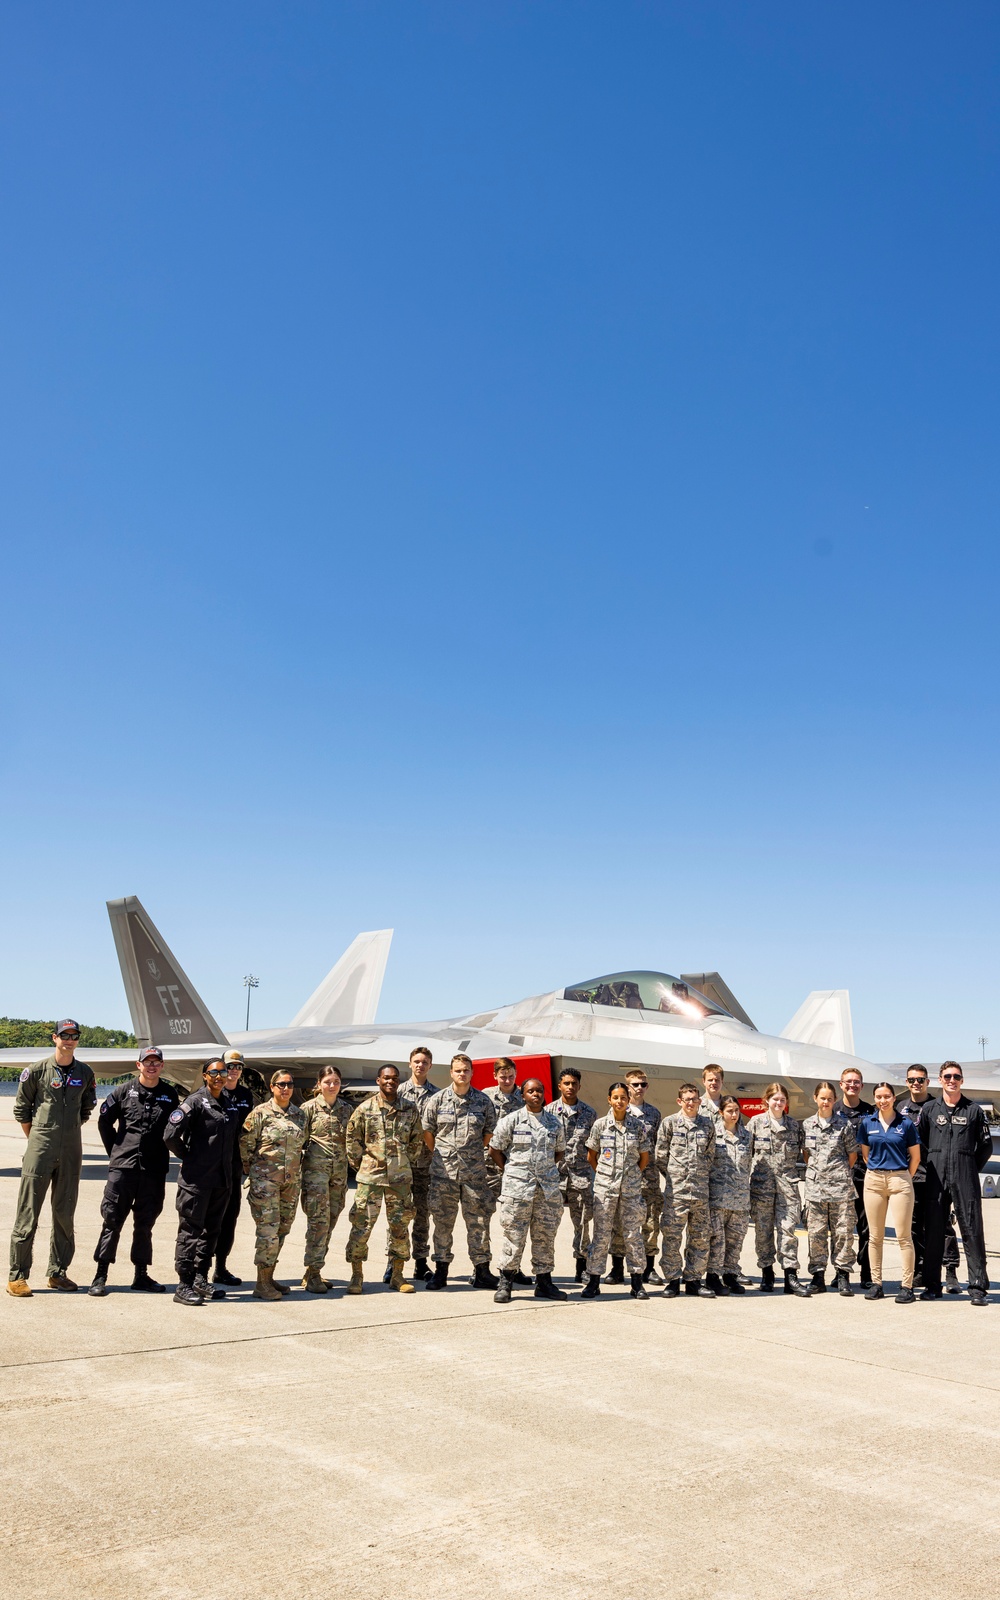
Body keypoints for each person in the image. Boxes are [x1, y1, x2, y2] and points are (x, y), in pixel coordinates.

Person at [7, 1019, 97, 1297]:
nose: (69, 1040)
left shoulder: (85, 1072)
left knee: (64, 1212)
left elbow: (85, 1109)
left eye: (74, 1036)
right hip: (40, 1148)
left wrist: (65, 1135)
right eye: (64, 1036)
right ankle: (17, 1276)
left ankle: (57, 1272)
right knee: (28, 1212)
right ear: (54, 1038)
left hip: (71, 1149)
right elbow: (22, 1110)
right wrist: (39, 1139)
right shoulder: (36, 1071)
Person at [89, 1046, 180, 1296]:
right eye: (147, 1062)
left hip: (153, 1169)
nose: (151, 1066)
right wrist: (116, 1151)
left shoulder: (169, 1094)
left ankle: (141, 1275)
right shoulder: (123, 1092)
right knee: (112, 1221)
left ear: (162, 1066)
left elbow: (175, 1129)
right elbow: (104, 1122)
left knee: (145, 1223)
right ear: (138, 1065)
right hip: (123, 1169)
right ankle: (100, 1275)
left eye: (156, 1062)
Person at [345, 1064, 424, 1295]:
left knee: (400, 1228)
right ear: (378, 1080)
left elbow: (416, 1140)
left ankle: (397, 1276)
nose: (390, 1081)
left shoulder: (409, 1109)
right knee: (361, 1226)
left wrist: (402, 1163)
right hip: (370, 1179)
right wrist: (362, 1165)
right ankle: (357, 1275)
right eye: (386, 1078)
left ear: (398, 1082)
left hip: (399, 1180)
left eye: (394, 1078)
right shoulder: (364, 1108)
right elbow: (352, 1139)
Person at [918, 1062, 992, 1307]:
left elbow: (985, 1146)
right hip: (936, 1176)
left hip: (964, 1174)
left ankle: (978, 1287)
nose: (952, 1080)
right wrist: (932, 1163)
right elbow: (919, 1143)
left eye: (956, 1076)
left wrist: (969, 1168)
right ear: (940, 1079)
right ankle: (931, 1285)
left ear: (962, 1080)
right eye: (947, 1076)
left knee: (971, 1229)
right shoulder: (929, 1109)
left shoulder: (973, 1111)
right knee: (934, 1231)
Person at [423, 1054, 498, 1291]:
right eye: (457, 1071)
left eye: (466, 1070)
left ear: (472, 1072)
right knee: (443, 1223)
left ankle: (482, 1270)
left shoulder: (483, 1102)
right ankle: (441, 1270)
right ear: (451, 1073)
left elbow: (489, 1134)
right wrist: (444, 1154)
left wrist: (470, 1153)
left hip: (474, 1174)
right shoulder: (437, 1100)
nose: (461, 1074)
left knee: (478, 1222)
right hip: (443, 1174)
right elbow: (428, 1134)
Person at [164, 1057, 235, 1306]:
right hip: (196, 1180)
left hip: (221, 1179)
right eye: (213, 1073)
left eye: (223, 1072)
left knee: (211, 1231)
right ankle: (183, 1284)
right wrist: (188, 1157)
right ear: (205, 1076)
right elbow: (170, 1135)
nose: (219, 1077)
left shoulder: (228, 1103)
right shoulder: (194, 1101)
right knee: (190, 1232)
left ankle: (200, 1278)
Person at [489, 1078, 567, 1303]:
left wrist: (543, 1170)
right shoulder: (511, 1120)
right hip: (518, 1191)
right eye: (530, 1091)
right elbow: (495, 1150)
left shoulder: (554, 1123)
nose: (536, 1094)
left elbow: (558, 1152)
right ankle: (506, 1283)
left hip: (546, 1191)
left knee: (544, 1237)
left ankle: (544, 1283)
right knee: (514, 1236)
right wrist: (513, 1171)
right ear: (522, 1095)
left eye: (539, 1091)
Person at [239, 1070, 307, 1301]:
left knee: (282, 1230)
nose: (285, 1088)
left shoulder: (299, 1115)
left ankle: (269, 1276)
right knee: (267, 1233)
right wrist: (255, 1172)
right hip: (265, 1184)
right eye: (281, 1085)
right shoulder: (260, 1114)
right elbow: (245, 1145)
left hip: (290, 1184)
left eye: (289, 1084)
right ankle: (261, 1283)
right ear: (272, 1087)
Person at [580, 1082, 650, 1299]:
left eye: (623, 1097)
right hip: (605, 1190)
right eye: (616, 1097)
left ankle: (637, 1282)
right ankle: (593, 1281)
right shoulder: (600, 1125)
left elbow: (644, 1157)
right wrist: (605, 1176)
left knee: (632, 1235)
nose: (620, 1101)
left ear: (628, 1101)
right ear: (609, 1099)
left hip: (630, 1190)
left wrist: (630, 1176)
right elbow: (592, 1156)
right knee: (601, 1235)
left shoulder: (637, 1127)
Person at [896, 1064, 961, 1293]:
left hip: (935, 1176)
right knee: (914, 1227)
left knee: (942, 1225)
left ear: (928, 1082)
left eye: (921, 1080)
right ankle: (920, 1270)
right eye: (912, 1080)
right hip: (910, 1177)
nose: (916, 1083)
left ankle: (951, 1271)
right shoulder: (900, 1108)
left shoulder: (937, 1107)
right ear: (907, 1082)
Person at [858, 1082, 920, 1303]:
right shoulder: (867, 1123)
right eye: (878, 1097)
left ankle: (907, 1286)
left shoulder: (906, 1124)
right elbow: (866, 1155)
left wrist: (903, 1177)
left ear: (894, 1098)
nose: (882, 1100)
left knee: (904, 1236)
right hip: (874, 1180)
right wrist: (879, 1173)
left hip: (900, 1179)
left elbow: (916, 1157)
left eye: (886, 1096)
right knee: (875, 1236)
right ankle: (877, 1283)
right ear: (874, 1099)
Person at [747, 1083, 811, 1296]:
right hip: (761, 1187)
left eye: (782, 1100)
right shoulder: (755, 1124)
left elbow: (805, 1153)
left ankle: (790, 1275)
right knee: (763, 1232)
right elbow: (746, 1155)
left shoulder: (794, 1126)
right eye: (774, 1099)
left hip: (788, 1187)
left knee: (788, 1231)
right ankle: (767, 1272)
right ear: (766, 1101)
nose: (778, 1103)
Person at [656, 1082, 717, 1298]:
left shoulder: (708, 1125)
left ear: (700, 1101)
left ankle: (693, 1280)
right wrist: (675, 1178)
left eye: (695, 1099)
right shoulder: (670, 1123)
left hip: (700, 1192)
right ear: (679, 1101)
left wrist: (697, 1176)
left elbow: (710, 1156)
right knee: (672, 1236)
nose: (691, 1103)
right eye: (687, 1099)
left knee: (699, 1238)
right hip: (677, 1193)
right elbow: (660, 1156)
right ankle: (672, 1280)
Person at [802, 1081, 857, 1297]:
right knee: (816, 1234)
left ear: (834, 1101)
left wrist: (836, 1173)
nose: (826, 1102)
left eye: (830, 1098)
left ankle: (843, 1275)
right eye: (822, 1098)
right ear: (815, 1098)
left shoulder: (844, 1125)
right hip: (816, 1190)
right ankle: (818, 1276)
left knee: (843, 1233)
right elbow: (806, 1154)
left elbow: (852, 1155)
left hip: (841, 1189)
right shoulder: (806, 1125)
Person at [607, 1069, 662, 1285]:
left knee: (650, 1223)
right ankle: (617, 1267)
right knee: (620, 1224)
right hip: (623, 1179)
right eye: (635, 1084)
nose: (639, 1088)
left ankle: (649, 1268)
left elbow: (655, 1147)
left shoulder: (654, 1114)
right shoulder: (617, 1111)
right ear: (627, 1087)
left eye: (643, 1084)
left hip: (648, 1179)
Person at [299, 1065, 351, 1293]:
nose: (332, 1085)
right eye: (328, 1081)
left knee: (329, 1223)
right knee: (318, 1224)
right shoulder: (307, 1109)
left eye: (336, 1081)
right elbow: (296, 1141)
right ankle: (314, 1273)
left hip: (338, 1177)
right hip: (315, 1177)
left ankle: (311, 1271)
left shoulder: (346, 1110)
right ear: (319, 1084)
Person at [482, 1059, 530, 1286]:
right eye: (503, 1076)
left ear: (516, 1074)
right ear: (495, 1076)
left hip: (518, 1167)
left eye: (511, 1076)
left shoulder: (525, 1096)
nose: (507, 1080)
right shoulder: (486, 1097)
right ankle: (481, 1267)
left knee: (516, 1221)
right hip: (489, 1167)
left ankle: (514, 1267)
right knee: (483, 1218)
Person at [393, 1046, 440, 1282]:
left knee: (422, 1215)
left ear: (430, 1065)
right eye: (416, 1061)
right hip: (401, 1164)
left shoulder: (438, 1095)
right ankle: (395, 1262)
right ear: (410, 1064)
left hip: (425, 1165)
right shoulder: (398, 1092)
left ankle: (421, 1263)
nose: (420, 1065)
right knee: (398, 1214)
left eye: (424, 1062)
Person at [546, 1068, 596, 1282]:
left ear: (579, 1086)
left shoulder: (589, 1113)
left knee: (583, 1222)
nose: (570, 1087)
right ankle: (544, 1269)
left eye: (574, 1083)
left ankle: (581, 1266)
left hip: (581, 1176)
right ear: (560, 1086)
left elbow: (595, 1146)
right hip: (554, 1177)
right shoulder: (547, 1112)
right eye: (566, 1083)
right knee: (546, 1223)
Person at [213, 1049, 257, 1288]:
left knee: (229, 1217)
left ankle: (220, 1268)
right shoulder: (211, 1093)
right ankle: (199, 1269)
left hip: (234, 1164)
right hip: (211, 1165)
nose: (234, 1071)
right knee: (208, 1218)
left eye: (238, 1067)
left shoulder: (244, 1095)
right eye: (230, 1066)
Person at [706, 1094, 751, 1295]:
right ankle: (713, 1276)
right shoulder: (712, 1134)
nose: (734, 1114)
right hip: (717, 1197)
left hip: (740, 1199)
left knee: (735, 1240)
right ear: (721, 1112)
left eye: (736, 1110)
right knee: (717, 1240)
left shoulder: (747, 1135)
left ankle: (731, 1274)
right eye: (729, 1111)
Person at [835, 1067, 874, 1288]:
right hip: (839, 1179)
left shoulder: (870, 1112)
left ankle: (866, 1273)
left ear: (862, 1085)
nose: (852, 1085)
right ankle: (841, 1272)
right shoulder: (833, 1110)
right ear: (841, 1084)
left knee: (866, 1228)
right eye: (848, 1082)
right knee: (841, 1228)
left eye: (856, 1082)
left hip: (864, 1177)